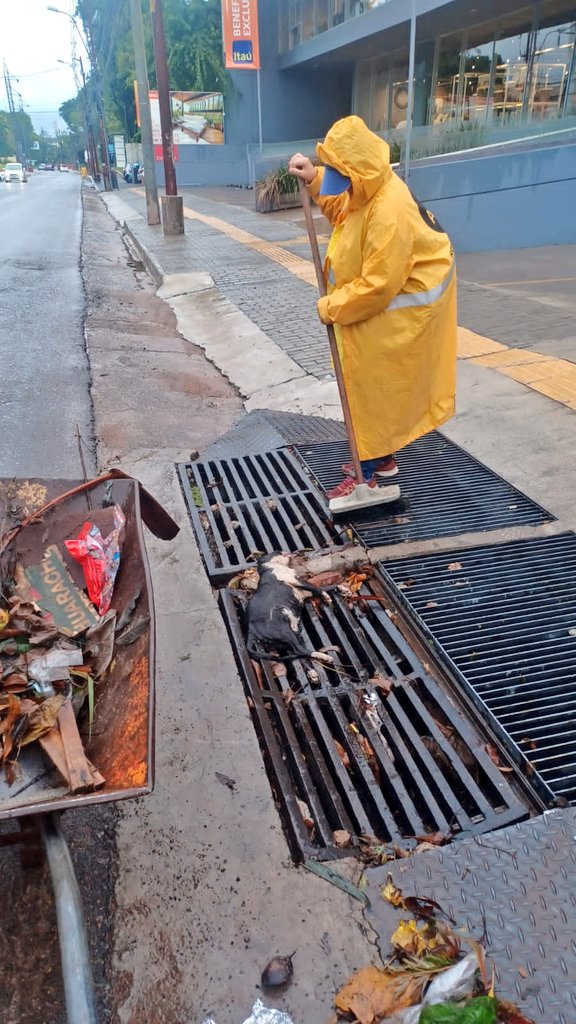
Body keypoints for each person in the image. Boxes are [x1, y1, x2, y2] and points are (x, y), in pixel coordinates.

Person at [289, 115, 457, 502]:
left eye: (337, 174)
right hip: (387, 298)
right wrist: (314, 178)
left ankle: (367, 475)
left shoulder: (389, 211)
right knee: (369, 383)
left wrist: (332, 306)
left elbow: (379, 286)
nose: (338, 183)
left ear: (356, 171)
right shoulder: (366, 186)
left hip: (405, 306)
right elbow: (343, 211)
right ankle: (381, 459)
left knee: (368, 384)